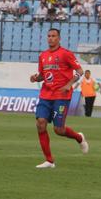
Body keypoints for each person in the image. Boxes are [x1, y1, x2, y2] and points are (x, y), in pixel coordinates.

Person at [30, 28, 89, 169]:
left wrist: (69, 84)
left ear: (59, 38)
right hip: (46, 94)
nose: (51, 38)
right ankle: (49, 160)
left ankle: (79, 138)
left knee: (59, 130)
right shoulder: (42, 56)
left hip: (61, 96)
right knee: (40, 123)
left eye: (54, 36)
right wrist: (35, 77)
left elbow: (80, 71)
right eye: (49, 36)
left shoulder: (66, 54)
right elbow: (43, 75)